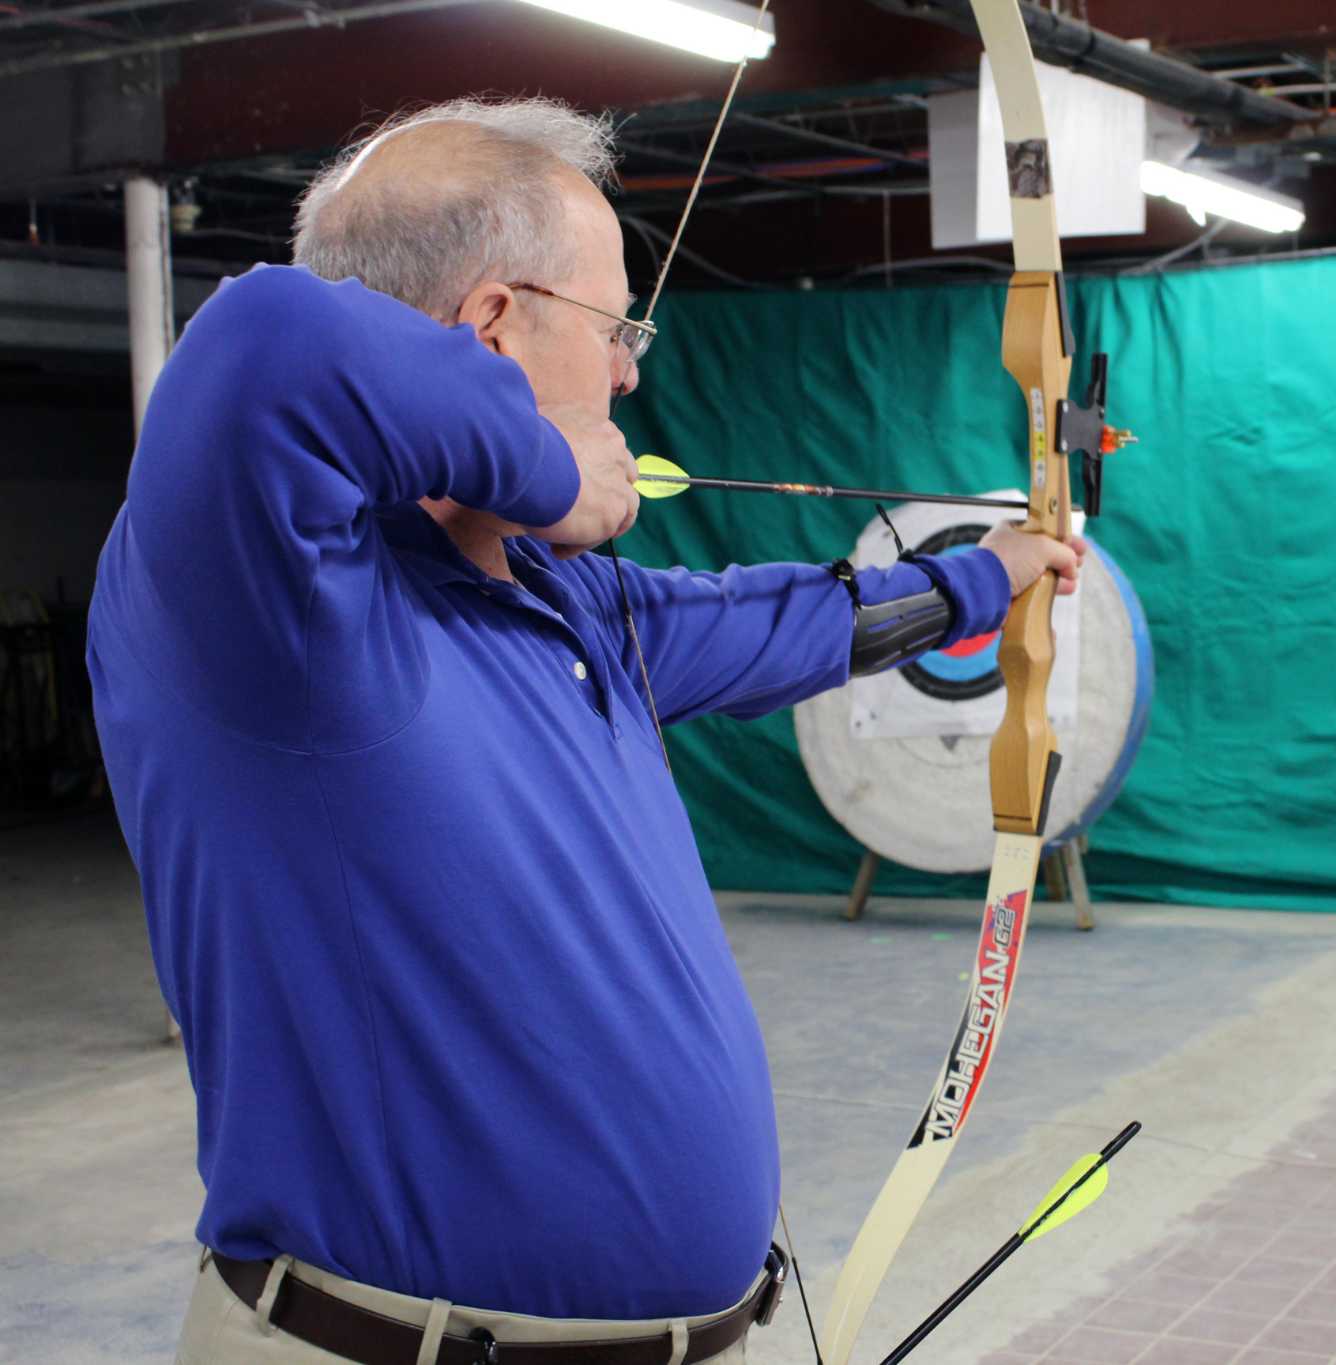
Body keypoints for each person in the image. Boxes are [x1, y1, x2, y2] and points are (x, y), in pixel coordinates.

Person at [88, 96, 1082, 1364]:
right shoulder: (265, 601)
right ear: (493, 325)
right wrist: (548, 471)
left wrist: (989, 576)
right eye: (618, 329)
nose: (628, 372)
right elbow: (263, 341)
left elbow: (781, 624)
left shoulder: (569, 602)